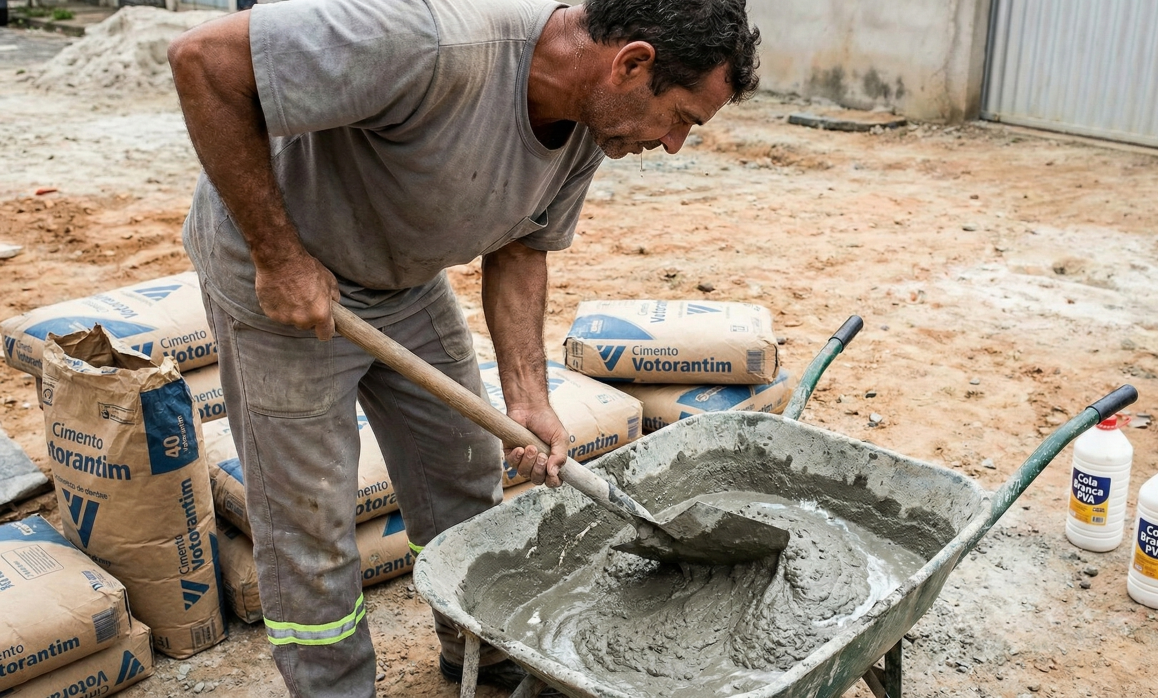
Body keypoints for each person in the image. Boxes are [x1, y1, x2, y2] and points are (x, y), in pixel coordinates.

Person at [168, 0, 759, 694]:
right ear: (632, 64)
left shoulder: (591, 123)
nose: (674, 145)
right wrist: (278, 257)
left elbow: (522, 245)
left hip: (405, 282)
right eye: (683, 118)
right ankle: (334, 685)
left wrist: (528, 397)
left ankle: (475, 645)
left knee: (460, 468)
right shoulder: (431, 42)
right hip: (287, 282)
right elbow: (204, 60)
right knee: (310, 523)